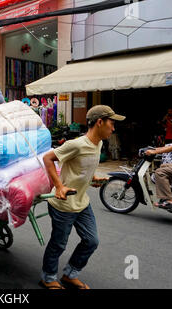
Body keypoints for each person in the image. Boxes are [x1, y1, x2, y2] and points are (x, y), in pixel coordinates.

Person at [40, 105, 125, 290]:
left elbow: (84, 166)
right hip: (63, 205)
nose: (113, 128)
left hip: (81, 202)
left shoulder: (99, 143)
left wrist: (93, 178)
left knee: (91, 241)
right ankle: (48, 277)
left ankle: (70, 275)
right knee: (58, 244)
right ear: (100, 122)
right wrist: (59, 186)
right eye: (111, 123)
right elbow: (47, 158)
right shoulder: (76, 144)